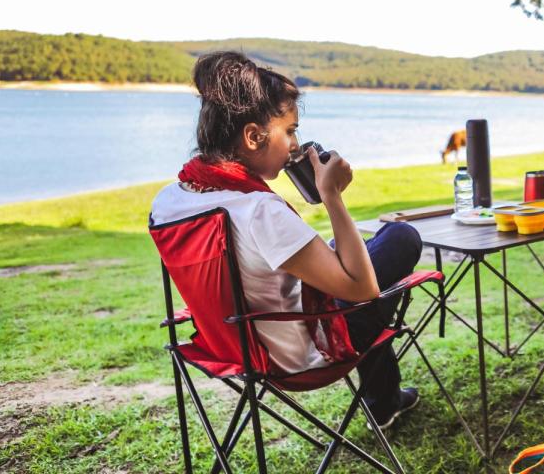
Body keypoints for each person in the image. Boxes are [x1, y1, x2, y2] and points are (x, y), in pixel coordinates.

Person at [150, 51, 422, 429]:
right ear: (252, 135)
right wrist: (332, 197)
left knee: (339, 253)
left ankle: (384, 397)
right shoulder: (259, 210)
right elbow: (363, 289)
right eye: (290, 131)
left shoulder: (170, 200)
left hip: (231, 342)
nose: (296, 146)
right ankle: (383, 397)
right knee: (400, 237)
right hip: (299, 354)